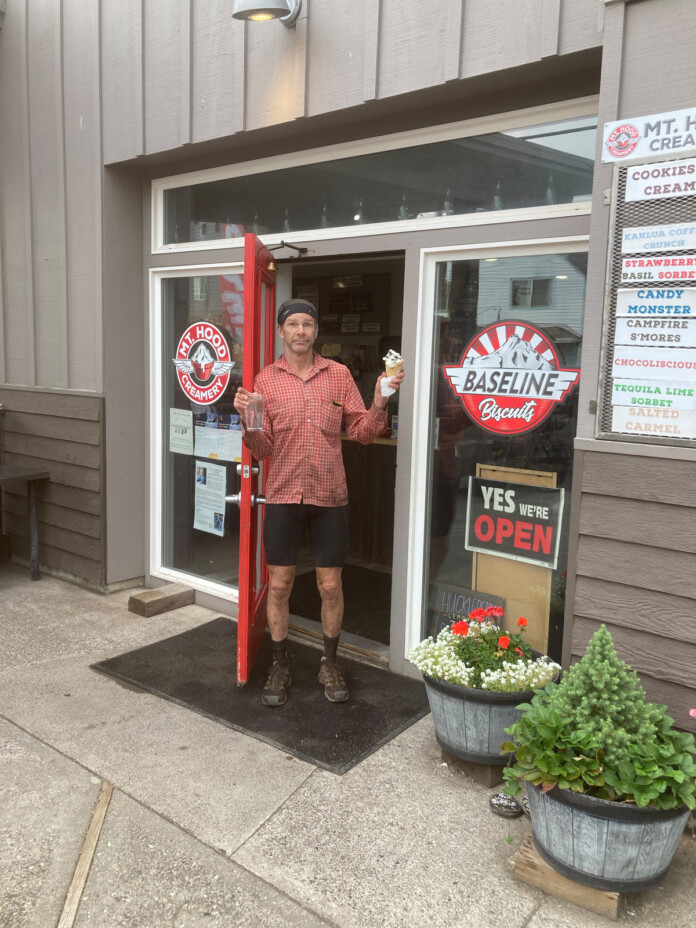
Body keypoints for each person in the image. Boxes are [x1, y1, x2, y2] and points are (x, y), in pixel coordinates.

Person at [233, 298, 405, 707]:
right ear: (281, 331)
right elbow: (263, 449)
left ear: (315, 331)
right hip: (283, 494)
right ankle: (279, 664)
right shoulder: (266, 380)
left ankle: (329, 662)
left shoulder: (339, 375)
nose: (300, 331)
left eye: (307, 324)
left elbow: (363, 433)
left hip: (329, 496)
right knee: (279, 585)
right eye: (293, 324)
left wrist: (381, 400)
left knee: (330, 585)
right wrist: (248, 420)